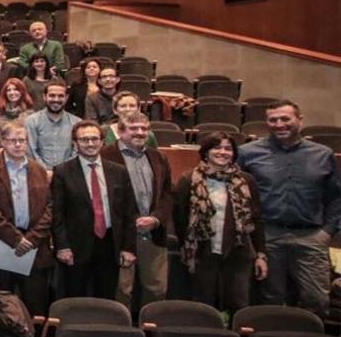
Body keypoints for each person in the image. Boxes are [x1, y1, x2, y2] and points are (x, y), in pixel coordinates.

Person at [238, 99, 339, 317]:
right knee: (269, 299)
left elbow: (335, 198)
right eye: (272, 120)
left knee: (317, 300)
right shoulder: (247, 153)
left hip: (310, 237)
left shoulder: (322, 154)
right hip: (267, 237)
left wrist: (327, 232)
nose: (279, 124)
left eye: (285, 119)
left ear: (299, 120)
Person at [175, 132, 267, 314]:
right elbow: (180, 217)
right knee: (203, 305)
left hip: (238, 251)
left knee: (238, 302)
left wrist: (261, 254)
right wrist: (185, 246)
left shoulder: (246, 180)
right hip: (202, 251)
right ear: (206, 152)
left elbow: (256, 219)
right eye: (217, 147)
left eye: (228, 148)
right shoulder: (189, 179)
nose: (223, 152)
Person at [51, 121, 139, 299]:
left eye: (94, 139)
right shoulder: (62, 171)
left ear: (102, 141)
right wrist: (63, 246)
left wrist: (128, 247)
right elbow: (56, 214)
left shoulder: (119, 171)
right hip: (76, 247)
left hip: (109, 243)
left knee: (106, 297)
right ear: (75, 143)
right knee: (75, 297)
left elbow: (129, 212)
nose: (90, 144)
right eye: (84, 140)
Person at [101, 112, 174, 308]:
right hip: (119, 235)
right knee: (122, 289)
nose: (140, 132)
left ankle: (151, 331)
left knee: (157, 288)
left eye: (144, 128)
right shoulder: (104, 156)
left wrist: (156, 219)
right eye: (134, 128)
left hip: (152, 233)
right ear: (121, 131)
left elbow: (167, 194)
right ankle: (119, 331)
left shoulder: (159, 157)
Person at [24, 82, 80, 171]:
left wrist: (62, 172)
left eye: (61, 96)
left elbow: (77, 151)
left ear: (67, 98)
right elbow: (31, 151)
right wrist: (45, 171)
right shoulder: (32, 121)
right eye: (52, 95)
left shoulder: (76, 122)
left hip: (68, 174)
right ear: (44, 97)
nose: (56, 99)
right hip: (39, 174)